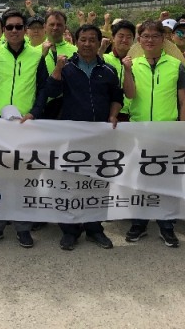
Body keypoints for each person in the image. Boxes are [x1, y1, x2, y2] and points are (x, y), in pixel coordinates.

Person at [0, 10, 48, 248]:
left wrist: (34, 112)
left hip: (26, 125)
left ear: (25, 29)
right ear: (2, 30)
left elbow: (45, 89)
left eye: (18, 27)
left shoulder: (37, 55)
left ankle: (23, 227)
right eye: (9, 27)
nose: (14, 31)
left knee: (24, 177)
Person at [44, 24, 122, 251]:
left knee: (98, 183)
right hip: (71, 137)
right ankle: (70, 230)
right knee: (70, 183)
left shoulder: (108, 71)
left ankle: (95, 228)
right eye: (83, 40)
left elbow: (117, 97)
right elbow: (49, 92)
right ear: (76, 42)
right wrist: (57, 69)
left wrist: (113, 114)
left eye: (92, 40)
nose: (87, 44)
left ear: (99, 43)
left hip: (100, 137)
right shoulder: (66, 68)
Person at [122, 20, 185, 247]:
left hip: (167, 132)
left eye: (154, 36)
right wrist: (127, 71)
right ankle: (139, 223)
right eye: (145, 36)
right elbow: (129, 95)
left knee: (168, 181)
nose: (149, 40)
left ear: (163, 39)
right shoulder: (133, 64)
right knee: (138, 180)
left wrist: (183, 131)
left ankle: (166, 225)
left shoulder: (176, 65)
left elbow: (183, 100)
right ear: (139, 40)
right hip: (139, 131)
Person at [102, 20, 136, 122]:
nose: (124, 40)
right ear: (113, 37)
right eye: (121, 36)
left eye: (129, 37)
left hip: (131, 115)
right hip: (107, 114)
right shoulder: (104, 58)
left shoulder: (138, 61)